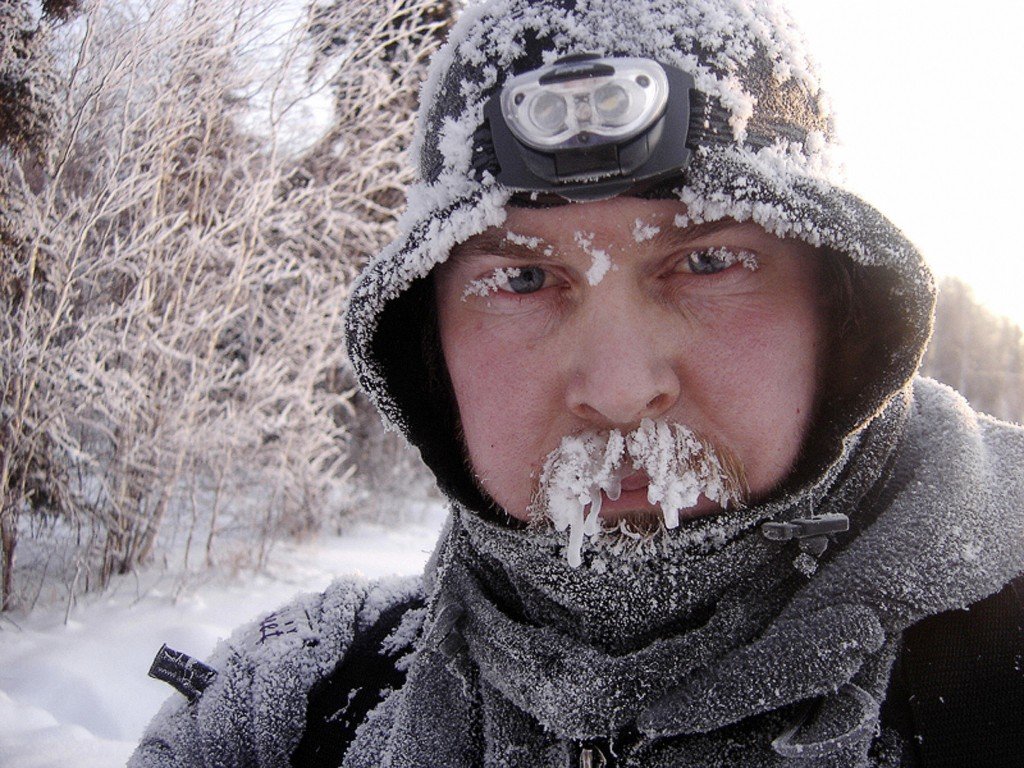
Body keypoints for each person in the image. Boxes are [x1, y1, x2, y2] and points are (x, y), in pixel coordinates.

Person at [130, 0, 1024, 766]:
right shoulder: (293, 712)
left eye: (708, 261)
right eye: (522, 279)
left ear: (844, 313)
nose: (621, 389)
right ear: (428, 350)